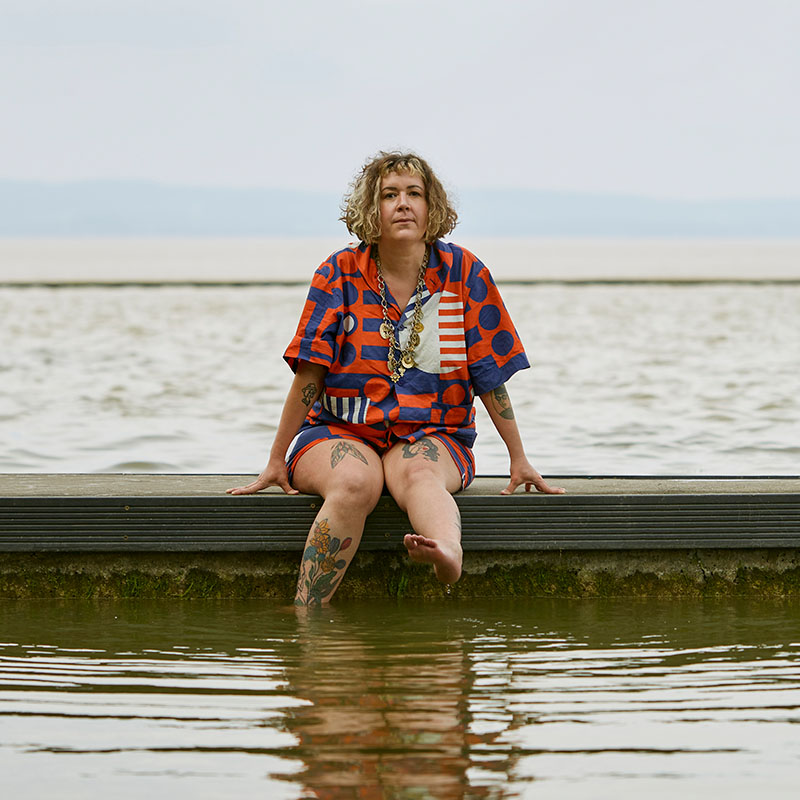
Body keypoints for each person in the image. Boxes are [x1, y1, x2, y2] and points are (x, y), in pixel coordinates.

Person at [228, 151, 564, 605]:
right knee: (354, 482)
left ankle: (447, 552)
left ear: (432, 207)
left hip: (435, 433)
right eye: (390, 195)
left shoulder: (465, 274)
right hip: (338, 431)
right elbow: (310, 372)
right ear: (373, 209)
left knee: (421, 474)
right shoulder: (338, 274)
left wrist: (518, 457)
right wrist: (274, 457)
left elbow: (488, 374)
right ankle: (307, 615)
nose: (403, 204)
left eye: (414, 194)